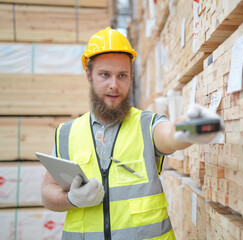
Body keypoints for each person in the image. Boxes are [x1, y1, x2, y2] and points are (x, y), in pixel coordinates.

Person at [41, 27, 222, 240]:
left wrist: (189, 129)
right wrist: (72, 199)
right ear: (89, 75)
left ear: (131, 76)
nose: (114, 85)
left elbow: (170, 135)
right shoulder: (66, 133)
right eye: (105, 75)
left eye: (122, 76)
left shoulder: (147, 124)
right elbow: (48, 192)